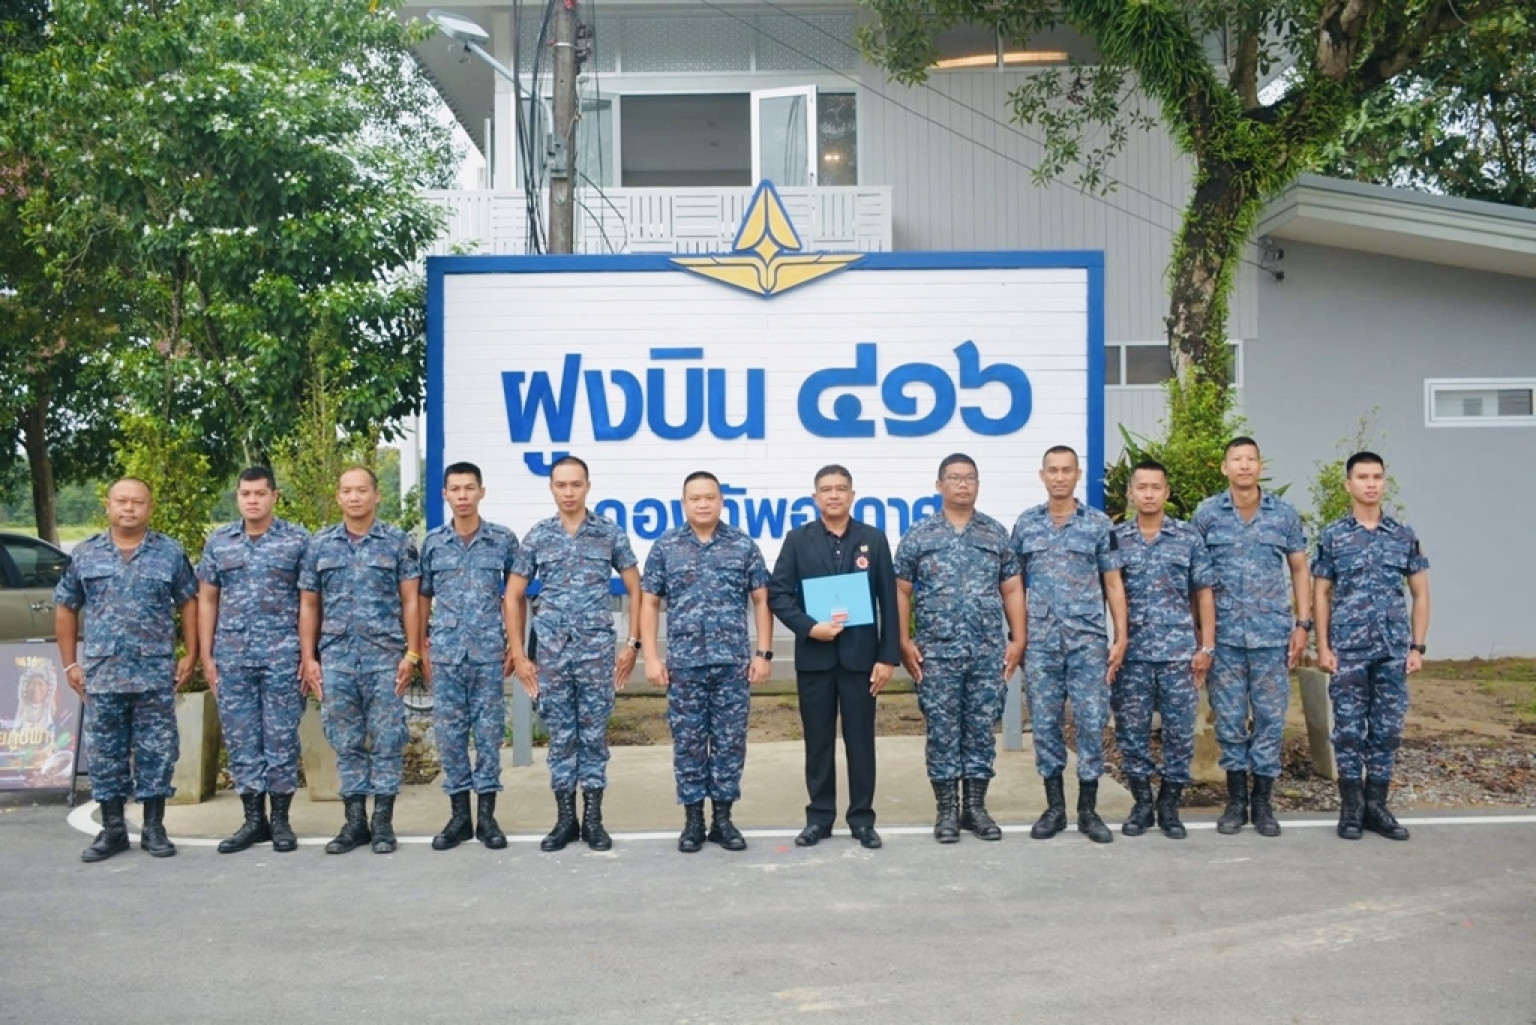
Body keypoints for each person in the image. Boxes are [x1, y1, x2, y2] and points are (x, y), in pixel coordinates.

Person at [54, 478, 199, 862]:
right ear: (108, 505)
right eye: (122, 501)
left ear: (150, 507)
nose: (129, 508)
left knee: (158, 750)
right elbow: (65, 606)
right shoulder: (86, 554)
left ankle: (153, 828)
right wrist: (70, 662)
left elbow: (189, 601)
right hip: (103, 674)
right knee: (105, 752)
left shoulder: (169, 553)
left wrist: (191, 653)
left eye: (137, 502)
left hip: (154, 673)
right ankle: (113, 829)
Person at [506, 456, 640, 852]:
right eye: (561, 485)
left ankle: (593, 821)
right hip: (552, 655)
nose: (569, 492)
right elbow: (513, 595)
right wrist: (519, 653)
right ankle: (565, 820)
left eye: (575, 484)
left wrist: (632, 644)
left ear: (587, 486)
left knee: (594, 736)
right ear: (552, 488)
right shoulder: (538, 536)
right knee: (562, 736)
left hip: (596, 654)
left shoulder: (609, 533)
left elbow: (637, 588)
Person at [895, 454, 1026, 844]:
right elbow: (901, 590)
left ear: (978, 485)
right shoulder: (919, 535)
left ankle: (976, 808)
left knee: (981, 729)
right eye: (954, 478)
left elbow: (1012, 588)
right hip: (936, 654)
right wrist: (903, 640)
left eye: (970, 478)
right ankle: (947, 811)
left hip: (986, 652)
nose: (963, 484)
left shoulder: (994, 533)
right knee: (942, 732)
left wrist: (1019, 638)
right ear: (940, 485)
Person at [640, 471, 773, 853]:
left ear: (721, 501)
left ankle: (724, 820)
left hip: (732, 665)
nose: (703, 504)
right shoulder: (666, 547)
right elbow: (649, 603)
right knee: (689, 745)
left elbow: (761, 600)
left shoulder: (742, 545)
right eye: (695, 498)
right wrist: (651, 657)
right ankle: (694, 821)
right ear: (684, 503)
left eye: (709, 497)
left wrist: (763, 653)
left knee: (730, 743)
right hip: (684, 667)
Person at [768, 464, 899, 850]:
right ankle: (819, 818)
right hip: (816, 659)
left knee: (861, 742)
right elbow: (778, 594)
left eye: (841, 488)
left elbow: (888, 601)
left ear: (852, 495)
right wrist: (810, 628)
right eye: (826, 489)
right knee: (818, 742)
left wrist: (887, 656)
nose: (834, 495)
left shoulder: (873, 540)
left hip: (861, 660)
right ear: (815, 497)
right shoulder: (798, 540)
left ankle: (862, 819)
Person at [298, 466, 422, 855]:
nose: (354, 497)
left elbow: (411, 600)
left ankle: (382, 823)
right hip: (336, 659)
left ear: (376, 495)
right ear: (338, 496)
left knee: (388, 740)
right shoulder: (320, 545)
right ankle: (354, 822)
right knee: (345, 740)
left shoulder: (397, 542)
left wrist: (412, 652)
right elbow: (309, 604)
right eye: (347, 491)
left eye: (362, 490)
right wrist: (309, 657)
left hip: (385, 658)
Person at [1192, 436, 1310, 837]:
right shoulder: (1207, 514)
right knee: (1228, 721)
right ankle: (1235, 801)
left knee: (1270, 719)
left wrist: (1303, 624)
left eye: (1250, 459)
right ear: (1224, 467)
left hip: (1271, 637)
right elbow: (1197, 577)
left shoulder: (1283, 514)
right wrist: (1200, 633)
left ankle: (1262, 802)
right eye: (1236, 459)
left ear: (1260, 466)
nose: (1244, 465)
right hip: (1224, 638)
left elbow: (1299, 569)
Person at [1011, 445, 1127, 844]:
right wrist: (1018, 638)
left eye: (1067, 470)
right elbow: (1014, 586)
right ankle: (1055, 809)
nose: (1059, 477)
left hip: (1088, 643)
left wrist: (1121, 636)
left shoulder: (1098, 524)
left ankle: (1089, 810)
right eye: (1053, 470)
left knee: (1091, 723)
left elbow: (1113, 583)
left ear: (1078, 475)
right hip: (1041, 644)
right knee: (1045, 725)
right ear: (1042, 475)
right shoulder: (1026, 525)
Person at [1312, 451, 1431, 842]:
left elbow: (1420, 593)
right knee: (1348, 730)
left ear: (1384, 482)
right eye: (1362, 477)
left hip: (1392, 651)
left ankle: (1377, 806)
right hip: (1347, 651)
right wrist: (1323, 646)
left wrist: (1417, 647)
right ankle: (1351, 807)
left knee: (1386, 730)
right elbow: (1321, 592)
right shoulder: (1334, 535)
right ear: (1348, 484)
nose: (1370, 484)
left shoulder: (1403, 535)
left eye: (1377, 477)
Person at [197, 467, 309, 854]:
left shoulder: (297, 540)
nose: (252, 500)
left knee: (281, 738)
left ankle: (280, 820)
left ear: (274, 496)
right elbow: (207, 598)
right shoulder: (220, 542)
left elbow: (310, 601)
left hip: (283, 654)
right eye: (246, 494)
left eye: (260, 493)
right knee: (241, 738)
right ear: (238, 497)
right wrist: (207, 654)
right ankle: (252, 820)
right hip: (232, 657)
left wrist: (308, 654)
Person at [1110, 459, 1216, 840]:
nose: (1149, 494)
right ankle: (1142, 804)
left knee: (1180, 733)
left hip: (1178, 656)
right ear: (1131, 493)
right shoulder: (1116, 539)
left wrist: (1206, 646)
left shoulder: (1187, 538)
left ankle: (1169, 805)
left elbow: (1203, 593)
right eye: (1142, 487)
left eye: (1156, 487)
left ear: (1167, 493)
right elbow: (1109, 590)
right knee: (1131, 733)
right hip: (1133, 656)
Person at [418, 462, 520, 851]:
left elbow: (514, 597)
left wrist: (514, 645)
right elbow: (423, 597)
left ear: (481, 492)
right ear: (445, 494)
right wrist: (421, 644)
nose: (462, 496)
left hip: (488, 652)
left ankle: (487, 818)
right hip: (445, 653)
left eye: (469, 488)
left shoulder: (502, 541)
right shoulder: (433, 543)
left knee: (489, 735)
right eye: (455, 489)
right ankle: (460, 816)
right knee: (450, 735)